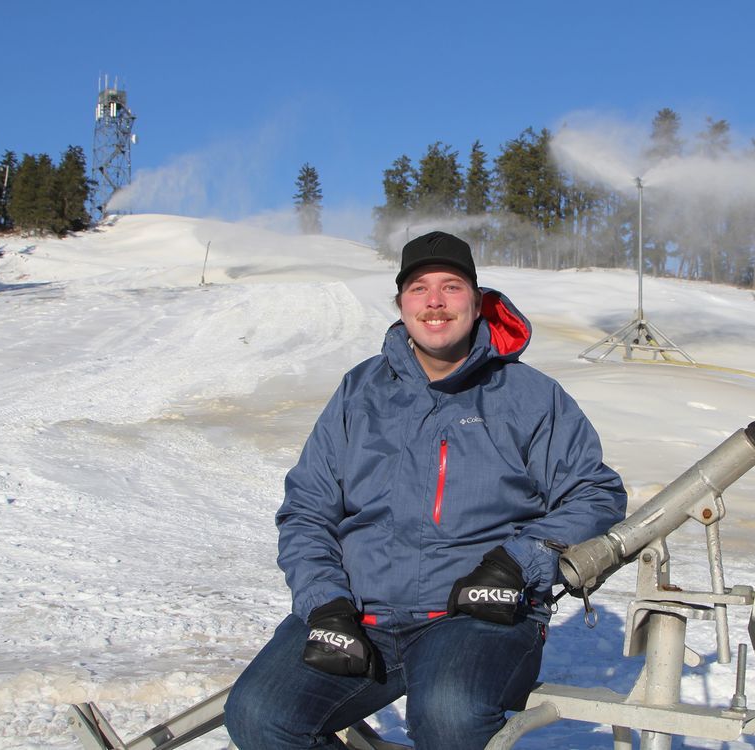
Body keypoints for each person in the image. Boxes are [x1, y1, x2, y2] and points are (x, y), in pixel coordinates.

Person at [224, 231, 626, 750]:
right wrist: (325, 605)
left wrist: (518, 562)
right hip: (360, 610)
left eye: (452, 287)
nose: (434, 301)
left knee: (449, 717)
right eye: (419, 288)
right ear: (401, 304)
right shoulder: (359, 391)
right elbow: (307, 509)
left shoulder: (530, 396)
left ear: (478, 303)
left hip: (474, 615)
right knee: (260, 715)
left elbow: (594, 492)